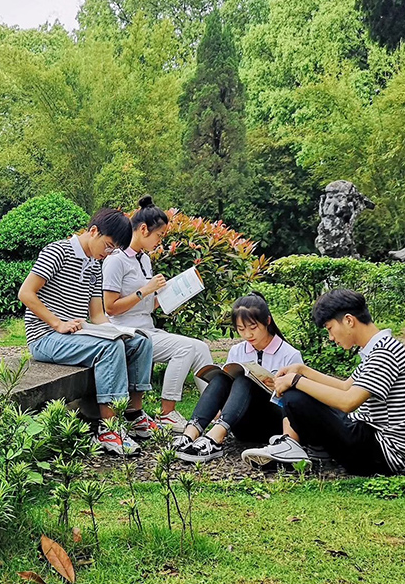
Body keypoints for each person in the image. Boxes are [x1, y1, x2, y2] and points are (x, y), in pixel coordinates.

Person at [19, 208, 157, 455]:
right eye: (108, 246)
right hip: (45, 337)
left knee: (140, 341)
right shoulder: (57, 251)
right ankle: (109, 429)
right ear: (94, 231)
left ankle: (133, 414)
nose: (107, 253)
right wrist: (57, 323)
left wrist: (122, 332)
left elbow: (98, 316)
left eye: (113, 250)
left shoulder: (95, 264)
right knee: (109, 348)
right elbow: (26, 293)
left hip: (75, 335)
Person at [240, 289, 405, 475]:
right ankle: (296, 447)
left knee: (295, 396)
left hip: (383, 454)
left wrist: (296, 381)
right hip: (371, 440)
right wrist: (302, 371)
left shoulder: (385, 352)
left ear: (349, 320)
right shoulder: (378, 349)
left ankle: (293, 449)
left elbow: (348, 401)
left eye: (330, 328)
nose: (331, 337)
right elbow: (345, 386)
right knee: (299, 389)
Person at [103, 195, 214, 432]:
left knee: (201, 348)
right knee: (185, 348)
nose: (160, 241)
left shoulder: (144, 259)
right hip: (127, 331)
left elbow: (145, 304)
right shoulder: (115, 261)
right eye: (159, 235)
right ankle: (167, 413)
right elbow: (109, 307)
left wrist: (172, 296)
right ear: (143, 229)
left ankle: (216, 412)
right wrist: (145, 290)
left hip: (147, 327)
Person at [172, 293, 303, 463]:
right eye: (241, 329)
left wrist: (276, 387)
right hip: (241, 424)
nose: (248, 334)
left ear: (267, 321)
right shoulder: (237, 351)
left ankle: (215, 438)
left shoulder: (289, 354)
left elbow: (299, 402)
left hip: (274, 425)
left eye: (253, 327)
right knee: (222, 378)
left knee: (245, 379)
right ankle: (190, 434)